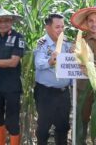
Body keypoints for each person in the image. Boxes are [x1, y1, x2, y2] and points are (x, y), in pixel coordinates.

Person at [0, 8, 25, 145]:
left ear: (11, 21)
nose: (3, 24)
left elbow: (13, 62)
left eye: (6, 20)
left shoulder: (18, 37)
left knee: (12, 120)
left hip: (12, 87)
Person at [70, 7, 96, 145]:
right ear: (86, 23)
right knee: (82, 121)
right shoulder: (80, 42)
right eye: (91, 21)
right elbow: (72, 59)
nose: (94, 24)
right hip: (83, 89)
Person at [34, 13, 72, 145]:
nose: (61, 30)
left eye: (62, 27)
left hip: (63, 93)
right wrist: (50, 61)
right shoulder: (42, 43)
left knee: (63, 127)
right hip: (46, 93)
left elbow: (72, 66)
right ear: (47, 27)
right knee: (43, 127)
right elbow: (38, 64)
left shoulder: (67, 43)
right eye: (57, 27)